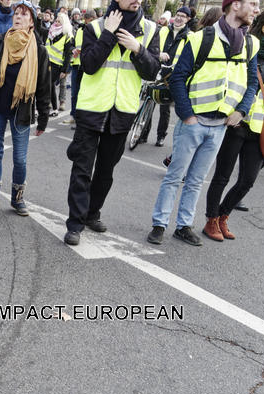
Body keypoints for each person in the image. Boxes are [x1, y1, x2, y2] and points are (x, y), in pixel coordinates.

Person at [147, 0, 259, 247]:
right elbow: (178, 78)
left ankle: (183, 226)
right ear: (234, 5)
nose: (256, 9)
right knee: (174, 177)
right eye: (252, 3)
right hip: (194, 122)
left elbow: (252, 82)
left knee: (196, 180)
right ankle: (159, 225)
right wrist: (188, 115)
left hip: (220, 125)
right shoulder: (201, 38)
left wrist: (241, 110)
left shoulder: (251, 43)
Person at [63, 0, 160, 246]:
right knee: (82, 170)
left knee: (106, 171)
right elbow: (88, 65)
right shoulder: (94, 27)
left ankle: (92, 213)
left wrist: (138, 49)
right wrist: (108, 33)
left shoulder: (150, 30)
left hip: (123, 111)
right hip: (91, 109)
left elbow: (152, 72)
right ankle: (75, 223)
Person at [203, 7, 264, 241]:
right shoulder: (246, 46)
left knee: (247, 181)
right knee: (222, 176)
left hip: (262, 127)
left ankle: (223, 215)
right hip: (237, 123)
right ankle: (211, 220)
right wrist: (235, 111)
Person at [0, 0, 49, 216]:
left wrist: (43, 118)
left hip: (21, 109)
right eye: (16, 13)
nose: (18, 17)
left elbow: (44, 86)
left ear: (32, 22)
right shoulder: (1, 43)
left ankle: (18, 199)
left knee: (20, 158)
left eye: (24, 14)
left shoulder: (39, 51)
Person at [140, 5, 190, 146]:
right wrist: (158, 55)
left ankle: (161, 135)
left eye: (183, 16)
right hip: (157, 70)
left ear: (188, 19)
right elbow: (152, 46)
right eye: (178, 15)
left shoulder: (189, 36)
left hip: (171, 77)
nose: (179, 18)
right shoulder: (163, 30)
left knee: (165, 108)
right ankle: (143, 133)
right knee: (149, 102)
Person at [45, 10, 72, 115]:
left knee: (49, 85)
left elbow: (68, 55)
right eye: (56, 21)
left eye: (59, 22)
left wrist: (64, 70)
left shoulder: (67, 36)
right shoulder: (50, 31)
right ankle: (52, 108)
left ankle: (52, 108)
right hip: (46, 62)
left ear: (64, 23)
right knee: (48, 85)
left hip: (57, 65)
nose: (56, 23)